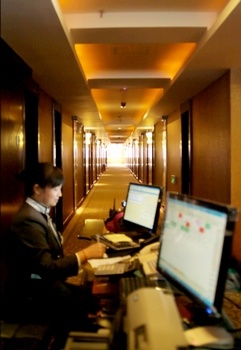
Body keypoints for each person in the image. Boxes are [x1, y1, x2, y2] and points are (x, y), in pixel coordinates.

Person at [5, 162, 106, 349]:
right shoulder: (28, 220)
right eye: (56, 189)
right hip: (29, 295)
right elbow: (47, 267)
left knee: (90, 296)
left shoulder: (39, 213)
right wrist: (84, 254)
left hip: (42, 284)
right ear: (37, 189)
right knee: (84, 312)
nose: (60, 194)